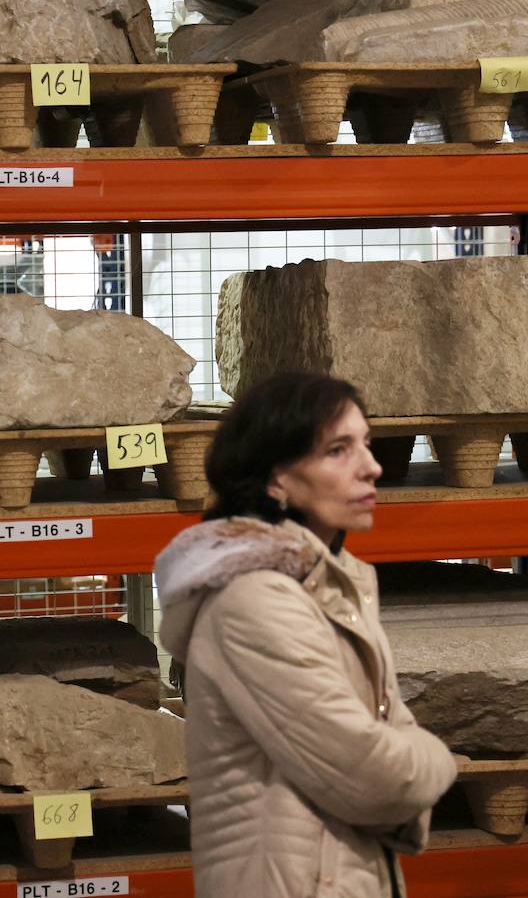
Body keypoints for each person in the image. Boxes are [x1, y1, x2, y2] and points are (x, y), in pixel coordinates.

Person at [155, 372, 457, 898]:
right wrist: (443, 759)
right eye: (338, 451)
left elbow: (383, 740)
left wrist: (403, 761)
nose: (372, 467)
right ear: (276, 480)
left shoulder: (333, 585)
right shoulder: (254, 602)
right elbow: (375, 778)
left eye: (365, 443)